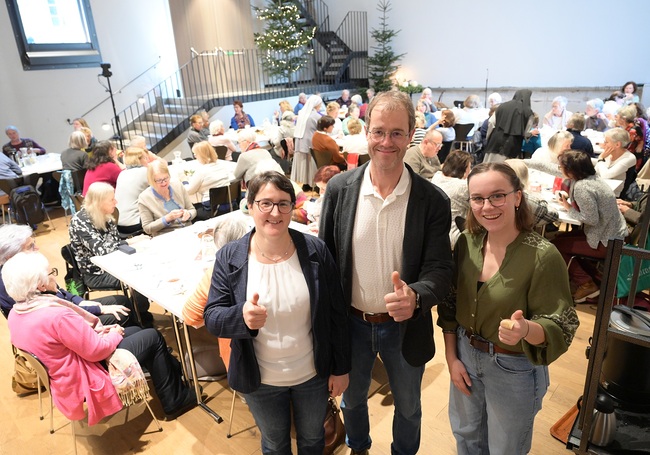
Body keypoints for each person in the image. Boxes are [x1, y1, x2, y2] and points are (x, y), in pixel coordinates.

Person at [319, 90, 453, 455]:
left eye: (396, 133)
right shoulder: (340, 189)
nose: (386, 142)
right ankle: (358, 447)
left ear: (411, 136)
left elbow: (441, 269)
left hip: (404, 329)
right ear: (367, 133)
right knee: (352, 401)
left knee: (408, 407)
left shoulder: (432, 200)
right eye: (378, 132)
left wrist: (417, 296)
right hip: (351, 325)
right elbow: (326, 262)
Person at [204, 171, 350, 454]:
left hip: (312, 374)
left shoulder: (315, 250)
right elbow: (212, 317)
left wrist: (341, 368)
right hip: (260, 380)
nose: (275, 212)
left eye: (283, 204)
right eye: (265, 203)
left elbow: (337, 315)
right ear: (250, 206)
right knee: (274, 444)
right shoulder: (230, 257)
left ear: (292, 207)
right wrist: (242, 317)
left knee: (313, 440)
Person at [437, 162, 578, 454]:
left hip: (513, 367)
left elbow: (561, 325)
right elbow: (450, 306)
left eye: (497, 196)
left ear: (517, 197)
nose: (487, 206)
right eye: (478, 198)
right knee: (466, 436)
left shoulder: (543, 256)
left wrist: (526, 329)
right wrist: (451, 358)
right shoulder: (467, 242)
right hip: (465, 354)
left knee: (506, 447)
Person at [4, 251, 196, 422]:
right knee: (152, 337)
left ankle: (172, 373)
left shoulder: (15, 313)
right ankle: (175, 401)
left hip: (62, 374)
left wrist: (109, 333)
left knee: (136, 331)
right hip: (84, 374)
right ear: (40, 285)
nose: (55, 277)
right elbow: (96, 351)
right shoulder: (56, 315)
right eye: (51, 273)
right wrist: (113, 334)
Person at [0, 224, 135, 325]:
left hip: (67, 308)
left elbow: (61, 293)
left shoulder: (29, 266)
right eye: (30, 246)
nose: (37, 248)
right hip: (63, 321)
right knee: (123, 313)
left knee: (122, 301)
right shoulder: (15, 282)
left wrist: (82, 301)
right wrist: (98, 309)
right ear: (11, 256)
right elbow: (59, 310)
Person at [69, 182, 154, 325]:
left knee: (147, 265)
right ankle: (139, 316)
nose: (116, 202)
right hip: (96, 274)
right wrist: (130, 242)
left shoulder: (106, 215)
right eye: (112, 199)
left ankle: (139, 311)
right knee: (137, 275)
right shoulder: (80, 221)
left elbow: (115, 242)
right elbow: (102, 250)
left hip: (116, 264)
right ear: (99, 202)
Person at [552, 151, 628, 302]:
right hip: (613, 234)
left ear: (570, 170)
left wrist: (568, 208)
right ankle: (588, 278)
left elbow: (591, 219)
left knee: (555, 246)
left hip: (606, 241)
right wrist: (523, 163)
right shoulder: (593, 177)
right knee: (559, 239)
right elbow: (549, 168)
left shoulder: (582, 187)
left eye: (561, 167)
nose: (559, 169)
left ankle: (586, 284)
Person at [137, 160, 196, 236]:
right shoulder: (144, 198)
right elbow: (147, 228)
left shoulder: (178, 186)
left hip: (188, 230)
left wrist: (189, 214)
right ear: (151, 181)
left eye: (166, 178)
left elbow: (192, 209)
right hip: (166, 235)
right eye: (159, 180)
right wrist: (167, 218)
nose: (164, 183)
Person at [431, 150, 472, 248]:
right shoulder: (463, 186)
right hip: (454, 235)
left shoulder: (436, 177)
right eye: (469, 168)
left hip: (435, 232)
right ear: (464, 169)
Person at [484, 89, 534, 162]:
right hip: (512, 145)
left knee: (488, 165)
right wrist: (531, 134)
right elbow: (526, 132)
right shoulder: (528, 112)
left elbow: (491, 122)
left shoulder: (501, 106)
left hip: (495, 141)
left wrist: (488, 137)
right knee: (505, 167)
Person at [186, 141, 232, 219]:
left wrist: (184, 184)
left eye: (196, 154)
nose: (194, 156)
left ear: (201, 155)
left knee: (191, 210)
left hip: (212, 209)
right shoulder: (222, 165)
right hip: (229, 204)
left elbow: (190, 191)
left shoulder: (201, 171)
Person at [115, 146, 150, 235]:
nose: (148, 161)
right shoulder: (144, 171)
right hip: (135, 222)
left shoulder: (122, 174)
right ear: (138, 160)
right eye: (145, 158)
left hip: (119, 224)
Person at [595, 127, 636, 197]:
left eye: (606, 142)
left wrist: (601, 158)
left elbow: (606, 175)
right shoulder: (609, 154)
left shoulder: (629, 158)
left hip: (614, 195)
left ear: (617, 144)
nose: (604, 144)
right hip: (601, 188)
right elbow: (597, 171)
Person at [292, 95, 323, 186]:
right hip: (310, 141)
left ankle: (305, 183)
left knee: (303, 164)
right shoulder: (316, 116)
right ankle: (312, 184)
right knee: (310, 164)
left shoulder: (301, 113)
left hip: (299, 141)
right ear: (316, 104)